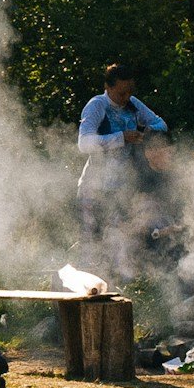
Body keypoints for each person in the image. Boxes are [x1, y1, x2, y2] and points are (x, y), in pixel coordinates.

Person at [76, 63, 169, 263]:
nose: (126, 98)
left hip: (121, 185)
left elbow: (160, 124)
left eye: (129, 92)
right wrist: (121, 137)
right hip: (94, 186)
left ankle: (119, 286)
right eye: (121, 93)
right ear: (108, 87)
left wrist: (145, 134)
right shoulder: (96, 105)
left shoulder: (133, 103)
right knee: (92, 242)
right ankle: (88, 283)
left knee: (119, 240)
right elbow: (84, 144)